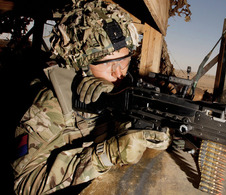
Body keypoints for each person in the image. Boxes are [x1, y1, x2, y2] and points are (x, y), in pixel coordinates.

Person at [12, 0, 171, 194]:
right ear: (81, 66)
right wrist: (106, 155)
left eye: (125, 61)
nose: (118, 73)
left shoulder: (122, 89)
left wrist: (145, 132)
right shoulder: (51, 105)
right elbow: (23, 184)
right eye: (107, 64)